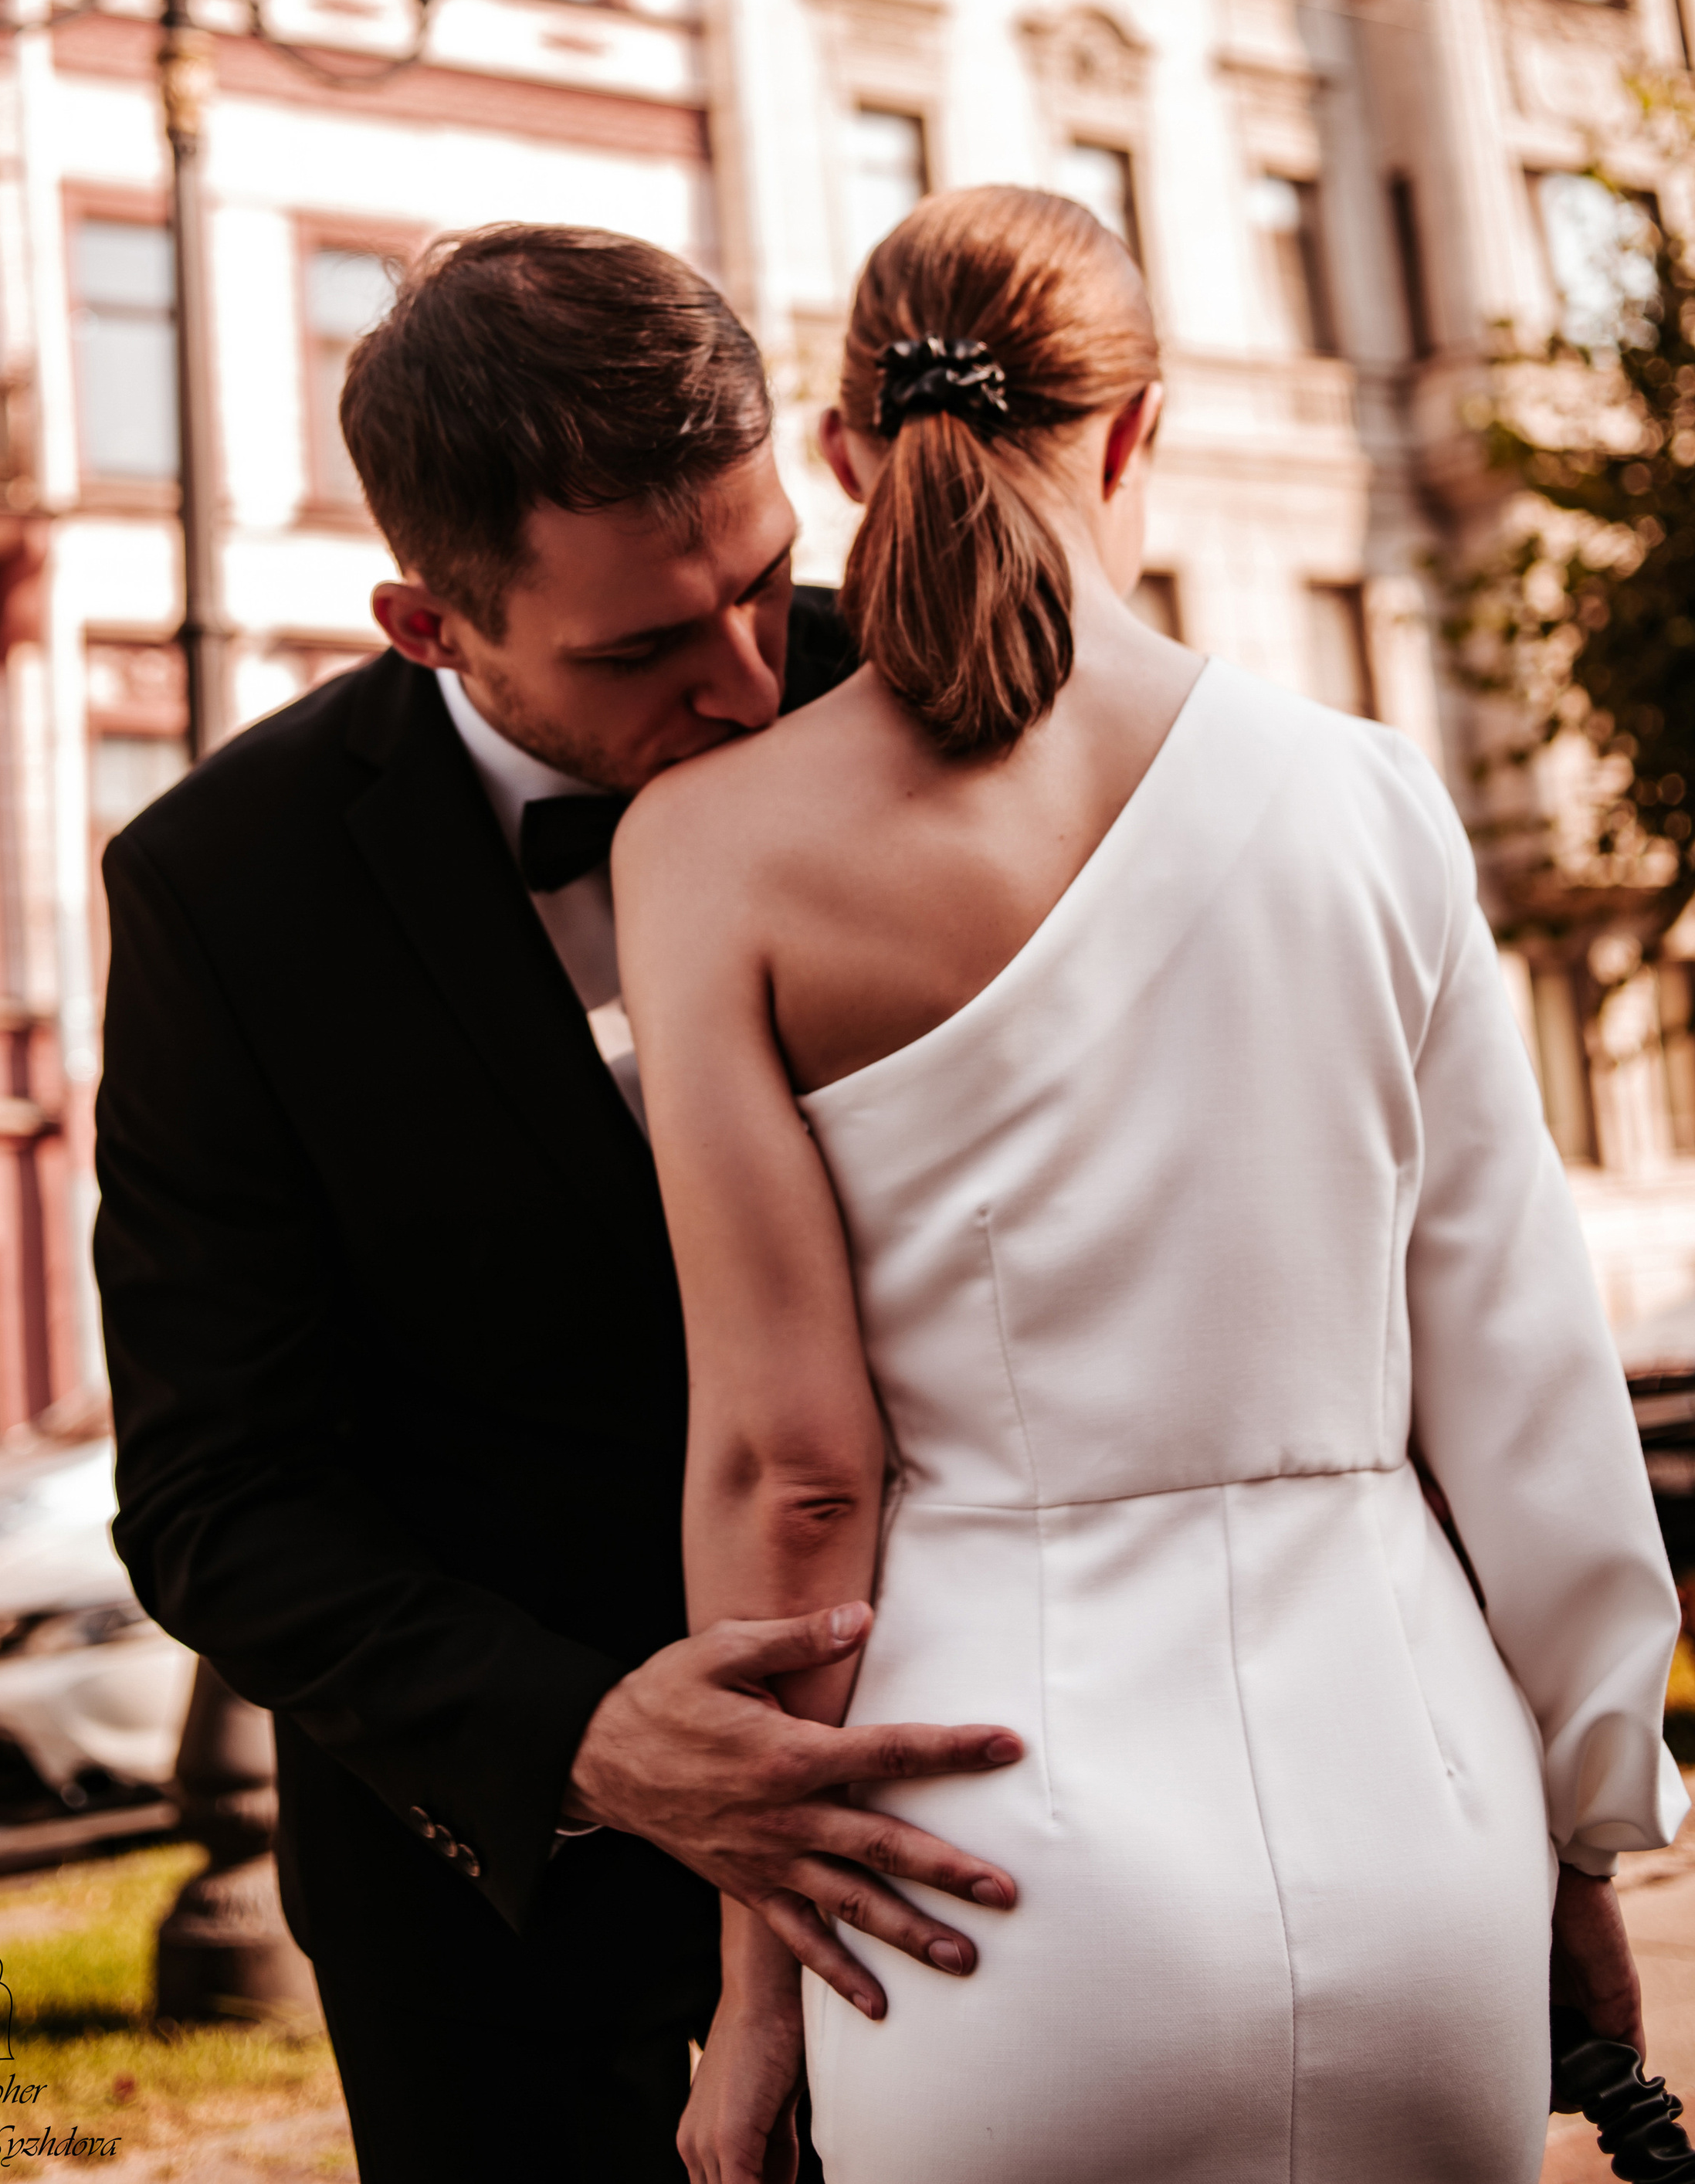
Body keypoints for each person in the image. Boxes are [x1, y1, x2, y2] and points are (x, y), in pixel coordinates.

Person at [615, 185, 1688, 2184]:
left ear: (849, 459)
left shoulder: (709, 850)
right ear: (1135, 436)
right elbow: (1525, 1398)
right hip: (1418, 1837)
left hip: (981, 1888)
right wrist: (1585, 1856)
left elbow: (796, 1477)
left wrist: (756, 2001)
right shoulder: (1372, 800)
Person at [92, 225, 1026, 2184]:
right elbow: (214, 1495)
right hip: (504, 1938)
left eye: (764, 581)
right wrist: (590, 1740)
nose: (749, 679)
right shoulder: (227, 890)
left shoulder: (951, 700)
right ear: (428, 625)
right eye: (640, 652)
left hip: (970, 1821)